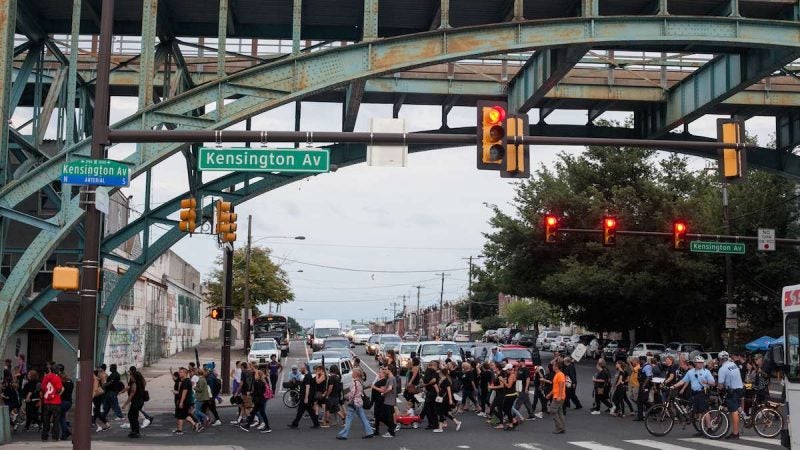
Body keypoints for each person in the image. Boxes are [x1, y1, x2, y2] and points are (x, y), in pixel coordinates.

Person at [672, 355, 715, 435]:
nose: (700, 364)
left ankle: (709, 428)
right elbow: (683, 381)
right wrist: (673, 386)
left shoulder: (706, 371)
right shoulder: (690, 372)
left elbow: (713, 383)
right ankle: (702, 430)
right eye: (698, 363)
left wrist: (706, 383)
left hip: (703, 393)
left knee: (704, 411)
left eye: (701, 363)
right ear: (695, 363)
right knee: (699, 412)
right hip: (694, 394)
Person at [336, 367, 374, 440]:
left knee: (348, 419)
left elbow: (352, 393)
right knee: (363, 418)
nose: (352, 374)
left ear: (356, 374)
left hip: (354, 402)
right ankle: (369, 432)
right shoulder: (360, 382)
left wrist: (346, 396)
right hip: (359, 402)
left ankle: (344, 434)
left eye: (353, 372)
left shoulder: (355, 382)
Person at [717, 350, 745, 439]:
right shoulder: (733, 365)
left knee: (733, 411)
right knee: (736, 406)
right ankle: (745, 416)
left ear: (720, 359)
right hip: (739, 388)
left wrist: (717, 387)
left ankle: (735, 433)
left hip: (733, 390)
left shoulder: (722, 369)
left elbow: (720, 385)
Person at [289, 364, 320, 428]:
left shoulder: (308, 376)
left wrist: (306, 398)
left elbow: (307, 387)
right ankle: (316, 423)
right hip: (305, 397)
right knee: (308, 411)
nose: (300, 370)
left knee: (302, 411)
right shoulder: (307, 375)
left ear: (304, 369)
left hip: (305, 397)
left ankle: (295, 424)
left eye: (301, 369)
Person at [433, 367, 461, 433]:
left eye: (440, 373)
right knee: (445, 412)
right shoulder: (443, 379)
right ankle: (457, 422)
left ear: (442, 373)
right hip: (442, 397)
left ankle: (440, 428)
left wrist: (450, 399)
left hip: (444, 398)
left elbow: (449, 390)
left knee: (441, 412)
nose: (439, 374)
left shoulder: (446, 381)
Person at [121, 366, 146, 438]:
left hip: (136, 402)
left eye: (131, 376)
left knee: (131, 416)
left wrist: (125, 404)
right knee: (134, 416)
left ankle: (135, 431)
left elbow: (131, 395)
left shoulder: (134, 384)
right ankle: (135, 431)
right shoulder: (141, 383)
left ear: (134, 377)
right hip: (140, 401)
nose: (130, 377)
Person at [174, 367, 200, 435]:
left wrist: (181, 402)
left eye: (181, 372)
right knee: (185, 415)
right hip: (185, 401)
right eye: (179, 372)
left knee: (180, 416)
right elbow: (181, 392)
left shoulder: (186, 382)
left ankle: (180, 430)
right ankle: (195, 424)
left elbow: (184, 393)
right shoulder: (185, 381)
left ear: (185, 373)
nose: (179, 373)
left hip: (185, 402)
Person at [41, 364, 63, 442]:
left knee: (46, 420)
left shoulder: (46, 377)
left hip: (47, 401)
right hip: (56, 401)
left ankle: (44, 436)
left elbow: (43, 388)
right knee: (56, 420)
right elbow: (59, 389)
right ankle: (55, 437)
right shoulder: (57, 378)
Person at [548, 358, 566, 434]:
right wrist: (550, 394)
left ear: (556, 367)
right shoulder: (557, 374)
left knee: (552, 410)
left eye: (554, 366)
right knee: (559, 412)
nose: (552, 367)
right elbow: (556, 387)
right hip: (557, 395)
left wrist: (559, 396)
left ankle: (559, 427)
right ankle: (562, 427)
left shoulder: (560, 375)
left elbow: (561, 386)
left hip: (558, 397)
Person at [421, 361, 440, 430]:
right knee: (432, 409)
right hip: (432, 392)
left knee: (429, 408)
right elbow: (434, 381)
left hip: (430, 392)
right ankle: (433, 423)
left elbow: (433, 381)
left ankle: (432, 423)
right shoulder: (433, 372)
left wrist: (426, 385)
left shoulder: (428, 371)